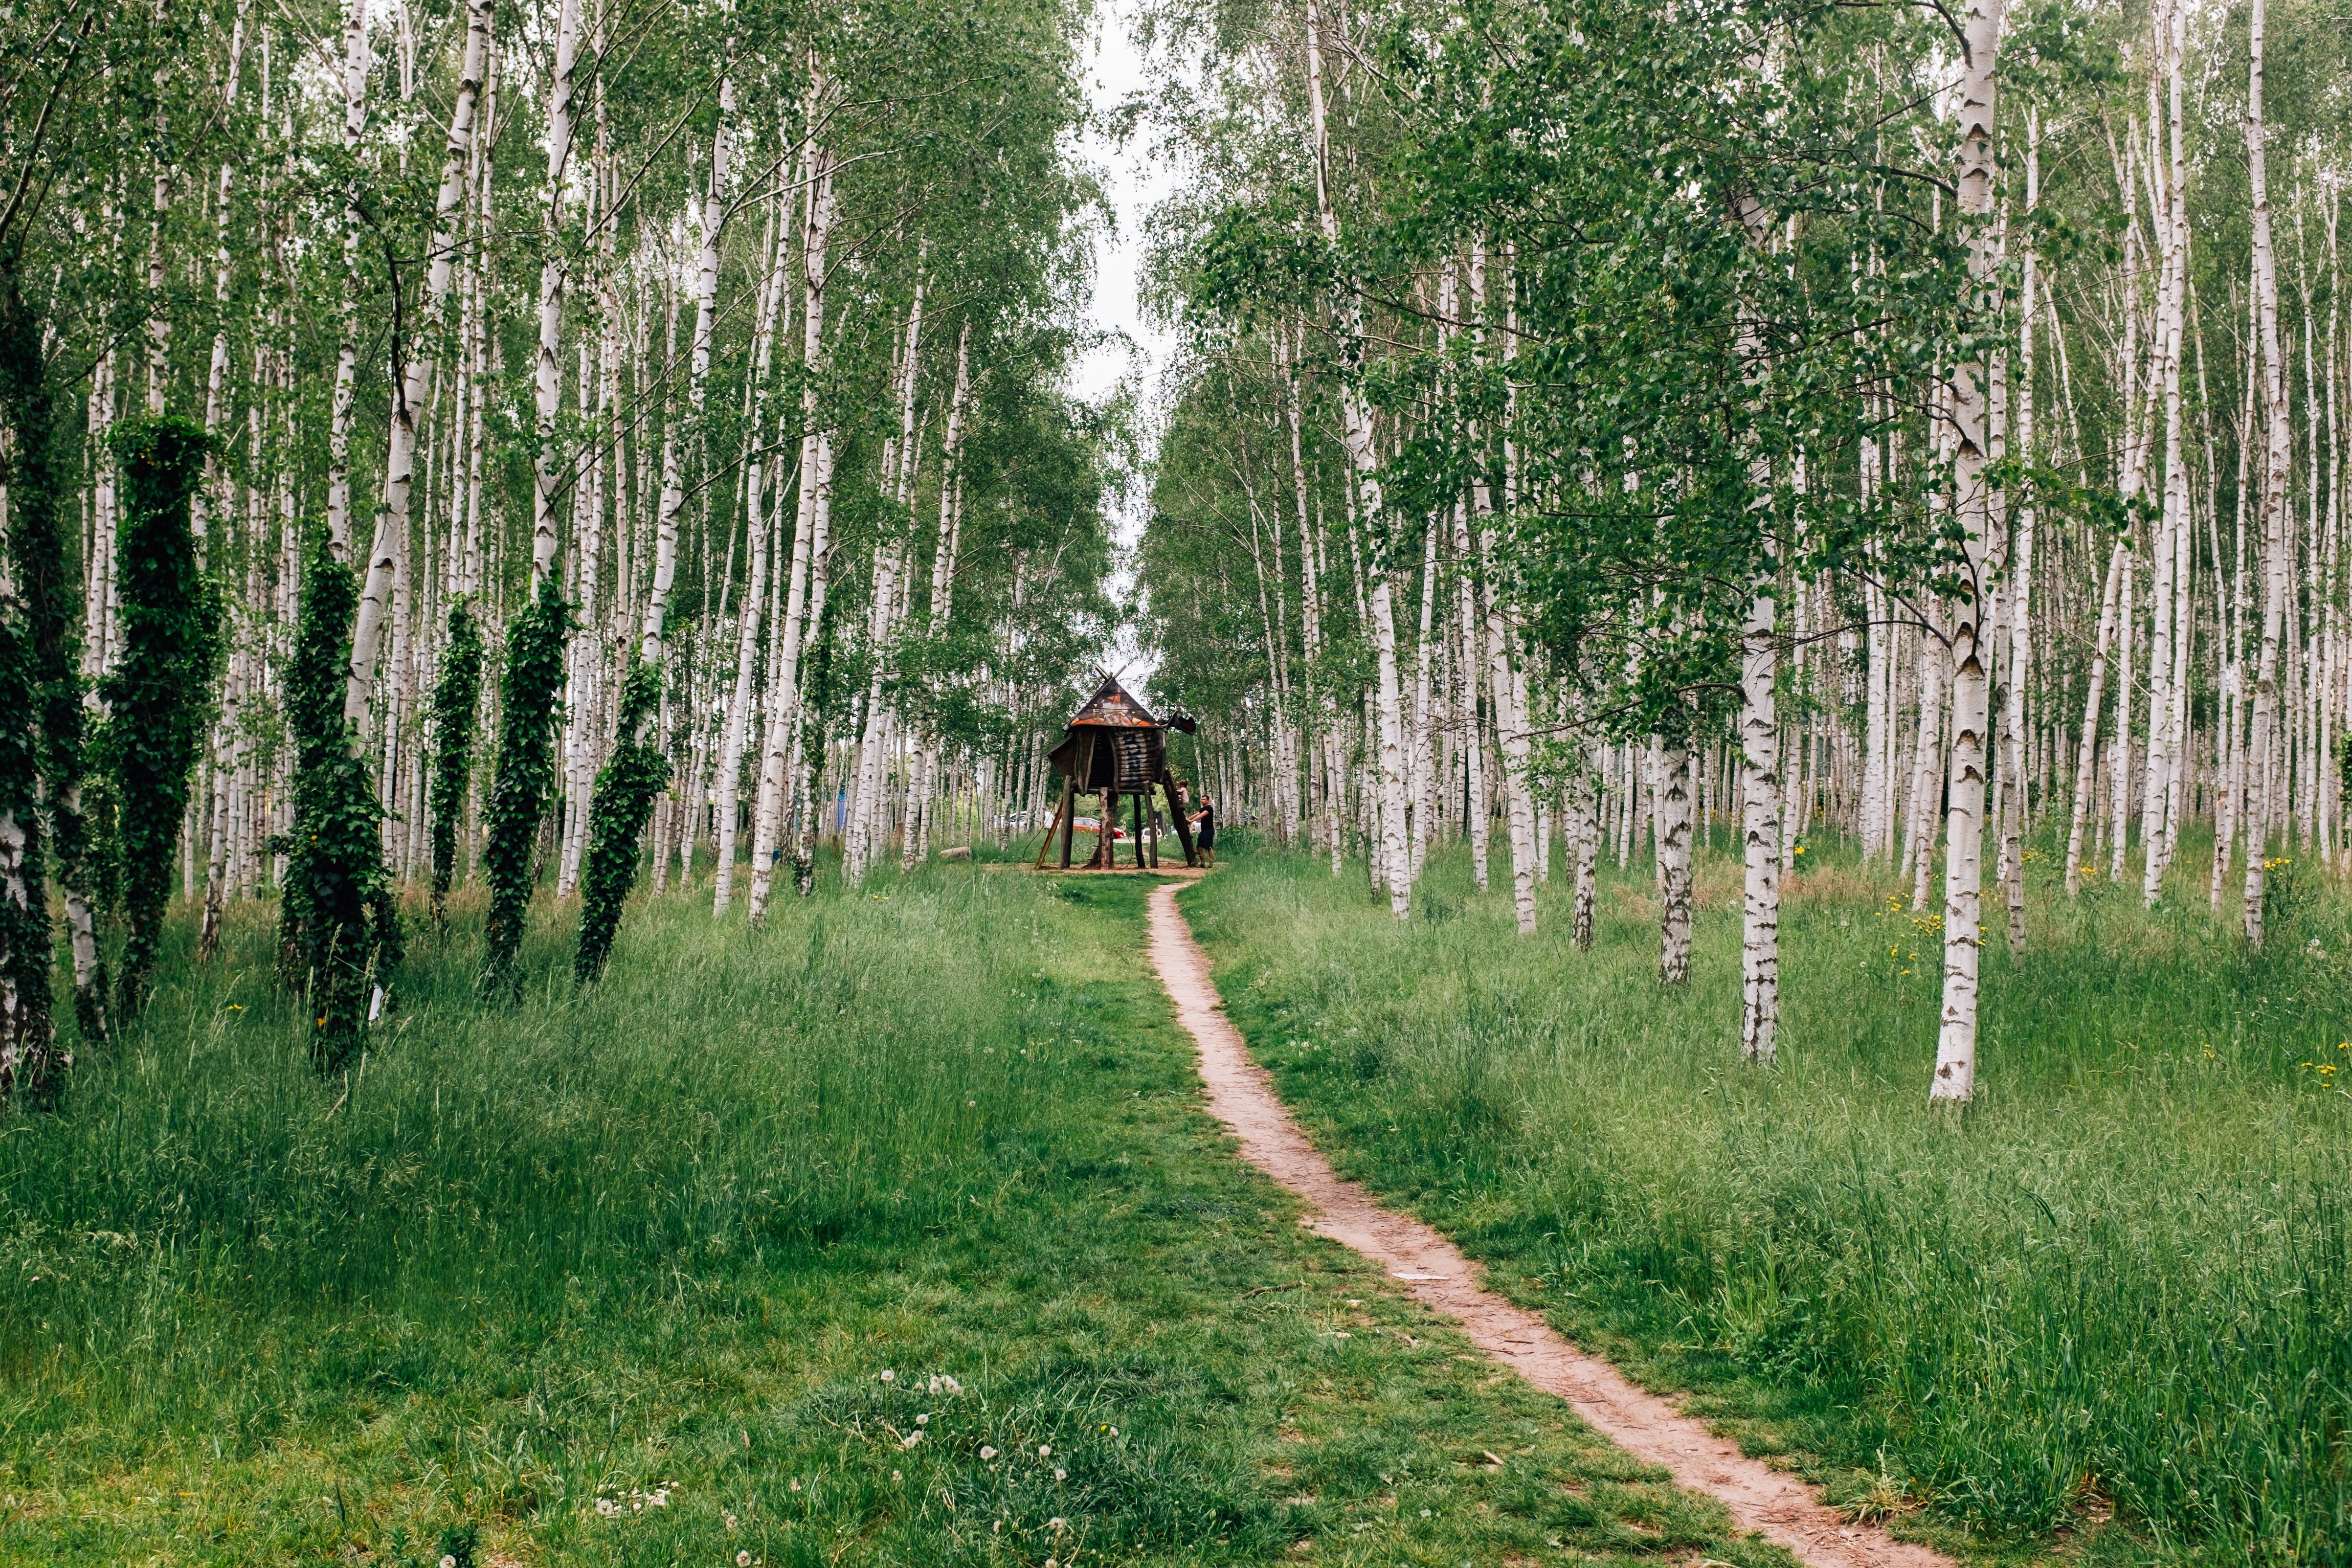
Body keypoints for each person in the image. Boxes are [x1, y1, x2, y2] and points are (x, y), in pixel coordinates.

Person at [1189, 793, 1217, 869]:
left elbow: (1201, 816)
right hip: (1204, 831)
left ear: (1208, 801)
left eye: (1204, 799)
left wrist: (1191, 821)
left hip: (1209, 831)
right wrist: (1188, 819)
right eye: (1202, 799)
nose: (1202, 801)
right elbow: (1197, 814)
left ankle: (1211, 864)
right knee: (1199, 847)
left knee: (1209, 848)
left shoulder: (1209, 809)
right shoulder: (1203, 809)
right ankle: (1203, 863)